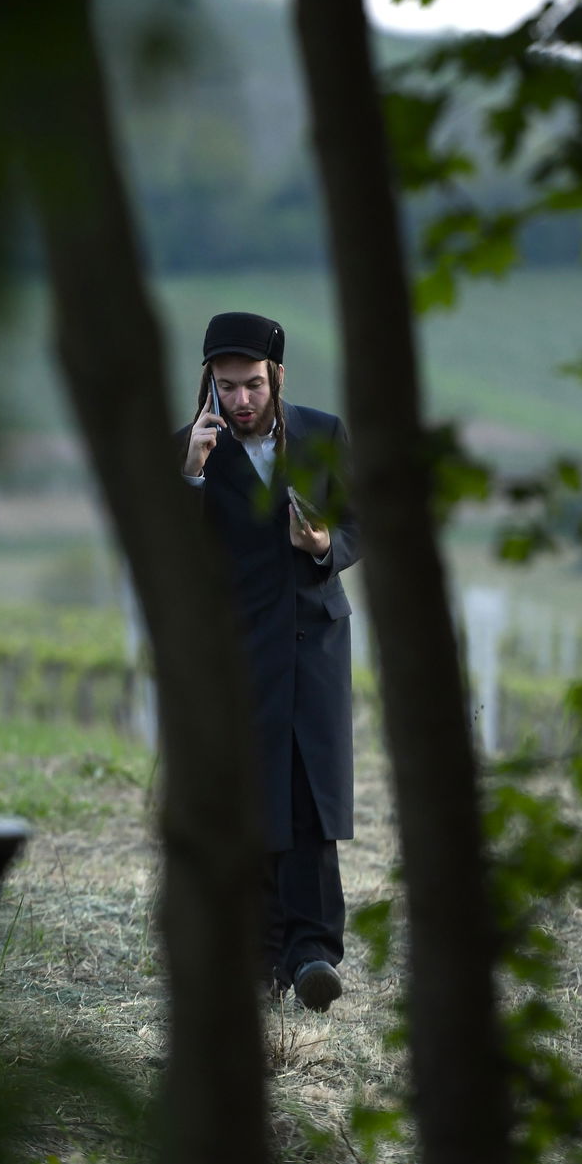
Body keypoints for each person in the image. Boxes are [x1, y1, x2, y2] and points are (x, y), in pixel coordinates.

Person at [180, 311, 359, 1011]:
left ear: (277, 377)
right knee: (250, 801)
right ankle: (257, 961)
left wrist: (321, 545)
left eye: (253, 384)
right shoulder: (187, 452)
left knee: (311, 801)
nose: (241, 401)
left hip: (314, 646)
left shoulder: (323, 434)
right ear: (209, 384)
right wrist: (189, 477)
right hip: (236, 655)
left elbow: (358, 522)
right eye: (227, 388)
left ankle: (313, 954)